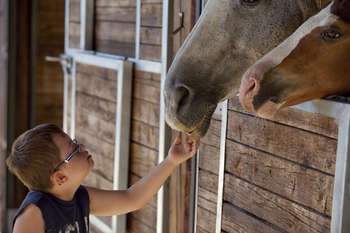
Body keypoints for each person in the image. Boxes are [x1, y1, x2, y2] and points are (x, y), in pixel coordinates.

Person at [7, 123, 200, 233]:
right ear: (60, 177)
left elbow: (132, 199)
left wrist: (171, 161)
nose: (81, 146)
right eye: (73, 149)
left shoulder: (79, 197)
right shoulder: (34, 213)